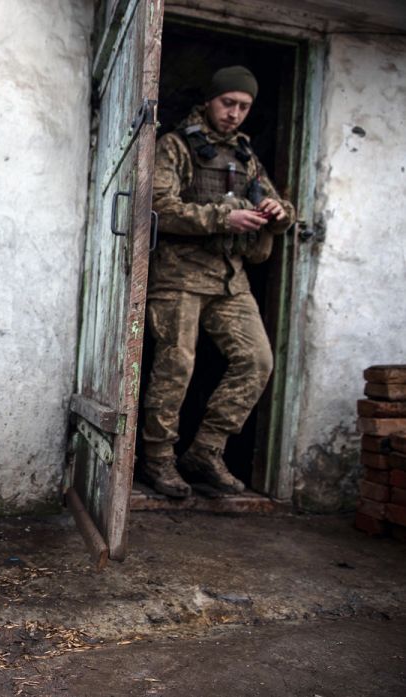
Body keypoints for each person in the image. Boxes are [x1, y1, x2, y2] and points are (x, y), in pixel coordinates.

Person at [140, 66, 296, 498]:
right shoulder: (175, 146)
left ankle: (206, 450)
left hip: (230, 279)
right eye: (228, 103)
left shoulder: (245, 155)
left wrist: (280, 212)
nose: (235, 114)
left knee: (257, 361)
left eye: (244, 106)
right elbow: (159, 207)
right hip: (179, 277)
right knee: (175, 368)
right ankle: (157, 459)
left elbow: (276, 201)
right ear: (210, 100)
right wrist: (223, 217)